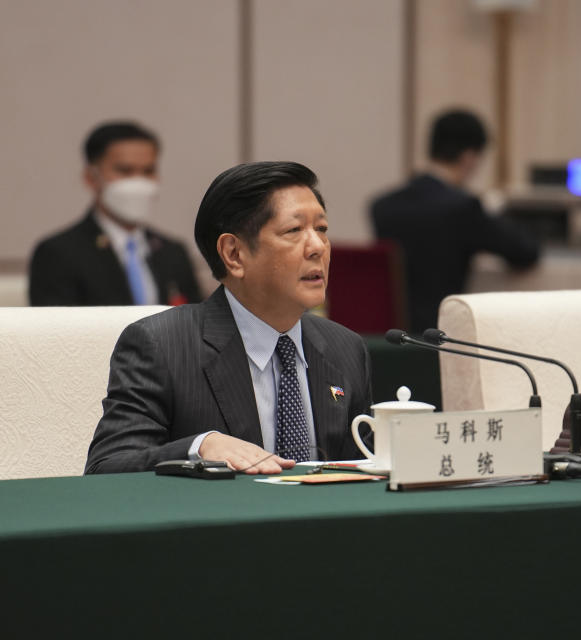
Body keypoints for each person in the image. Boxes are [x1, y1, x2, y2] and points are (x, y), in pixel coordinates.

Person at [85, 161, 372, 474]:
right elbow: (107, 468)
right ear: (234, 254)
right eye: (294, 230)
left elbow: (364, 471)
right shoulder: (161, 346)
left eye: (321, 229)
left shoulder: (345, 349)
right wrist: (200, 446)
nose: (318, 246)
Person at [371, 108, 540, 332]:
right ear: (469, 156)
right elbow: (525, 252)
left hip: (390, 336)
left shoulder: (383, 206)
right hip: (440, 336)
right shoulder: (463, 207)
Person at [29, 121, 201, 306]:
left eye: (148, 171)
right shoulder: (58, 254)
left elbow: (197, 323)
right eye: (125, 171)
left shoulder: (172, 252)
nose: (138, 181)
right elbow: (56, 330)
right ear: (91, 178)